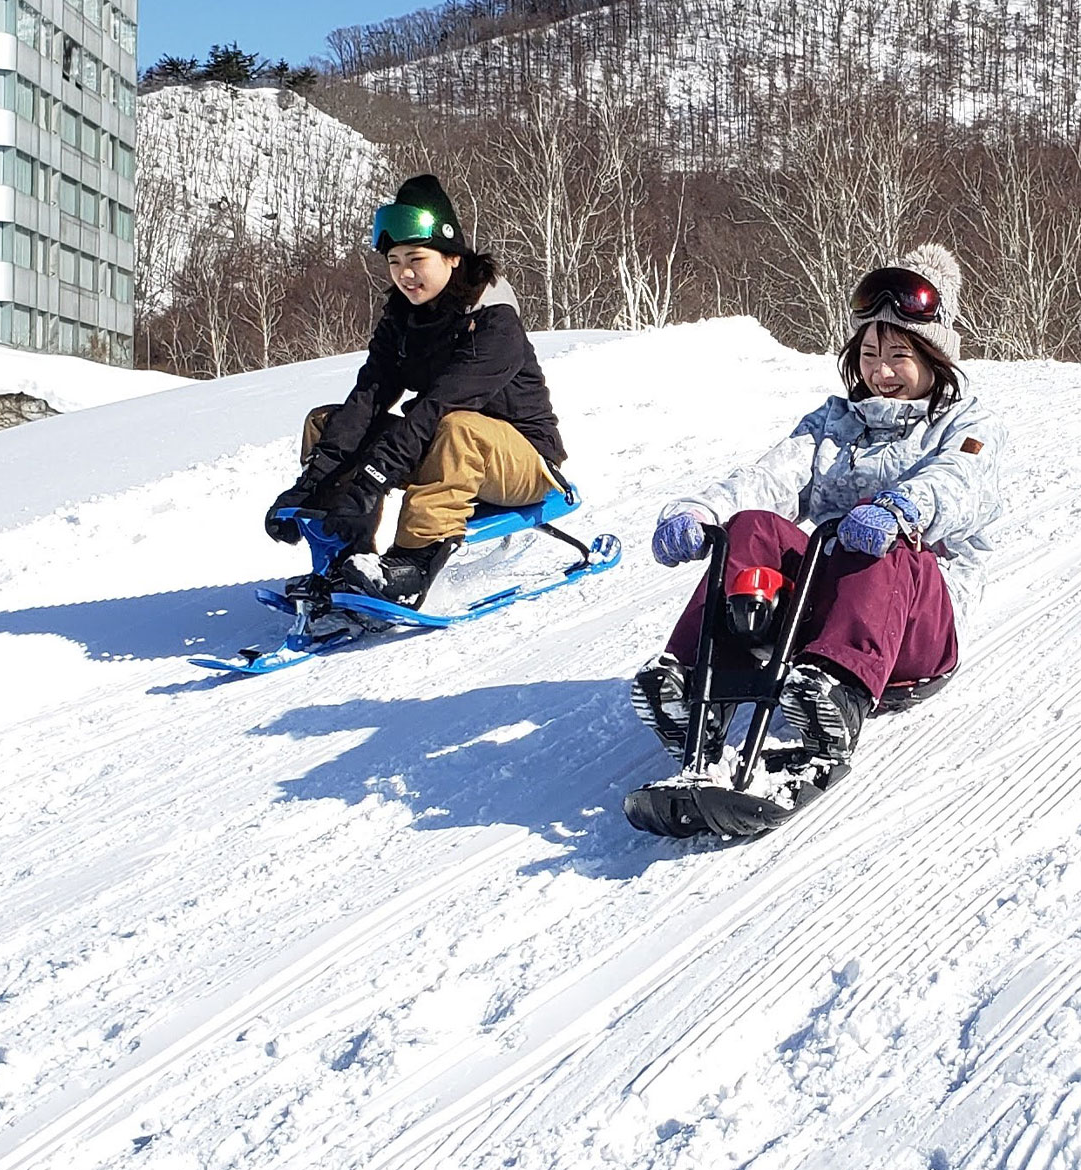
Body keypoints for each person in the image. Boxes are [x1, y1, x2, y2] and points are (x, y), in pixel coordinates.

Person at [633, 245, 1004, 770]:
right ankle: (698, 680)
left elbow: (960, 483)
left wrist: (900, 508)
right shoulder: (834, 421)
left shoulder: (968, 426)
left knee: (883, 541)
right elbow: (768, 478)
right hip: (827, 610)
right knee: (753, 527)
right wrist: (699, 513)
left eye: (899, 355)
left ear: (933, 357)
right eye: (870, 356)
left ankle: (838, 695)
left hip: (917, 629)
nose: (882, 372)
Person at [264, 174, 566, 608]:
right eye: (393, 260)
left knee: (458, 427)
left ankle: (411, 563)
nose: (404, 273)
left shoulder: (495, 321)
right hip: (445, 446)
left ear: (452, 257)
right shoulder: (404, 319)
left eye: (416, 259)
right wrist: (311, 484)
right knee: (329, 422)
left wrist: (372, 478)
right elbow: (369, 397)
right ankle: (343, 559)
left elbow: (435, 409)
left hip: (523, 464)